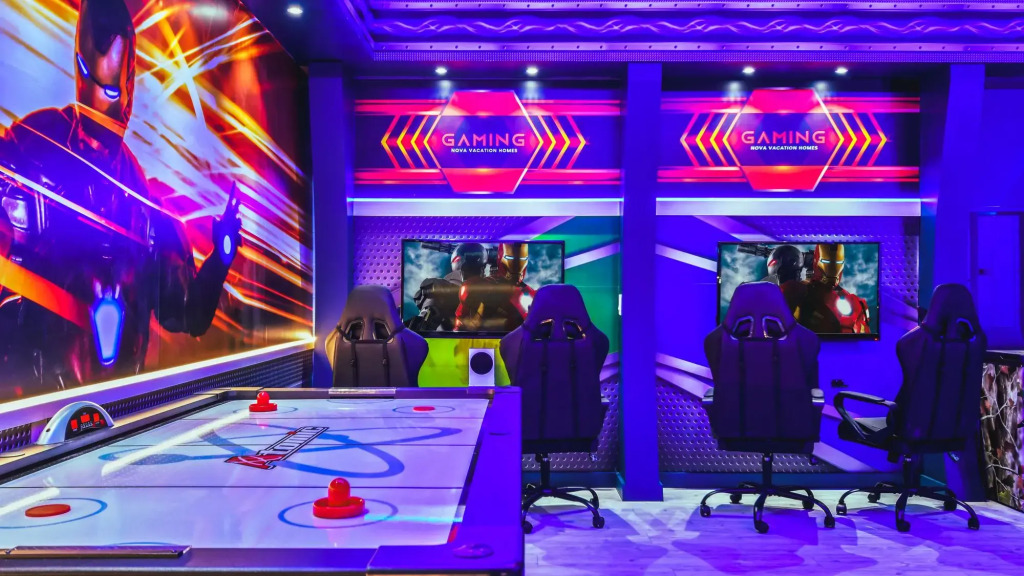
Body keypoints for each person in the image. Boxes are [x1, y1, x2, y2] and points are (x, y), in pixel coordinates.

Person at [0, 0, 241, 398]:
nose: (112, 104)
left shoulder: (143, 203)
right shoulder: (32, 148)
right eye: (100, 84)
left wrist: (221, 257)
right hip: (33, 405)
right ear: (80, 70)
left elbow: (187, 313)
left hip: (120, 407)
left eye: (118, 89)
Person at [780, 243, 871, 334]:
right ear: (816, 261)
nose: (833, 268)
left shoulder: (855, 302)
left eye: (838, 263)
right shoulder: (796, 290)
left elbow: (865, 337)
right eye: (826, 262)